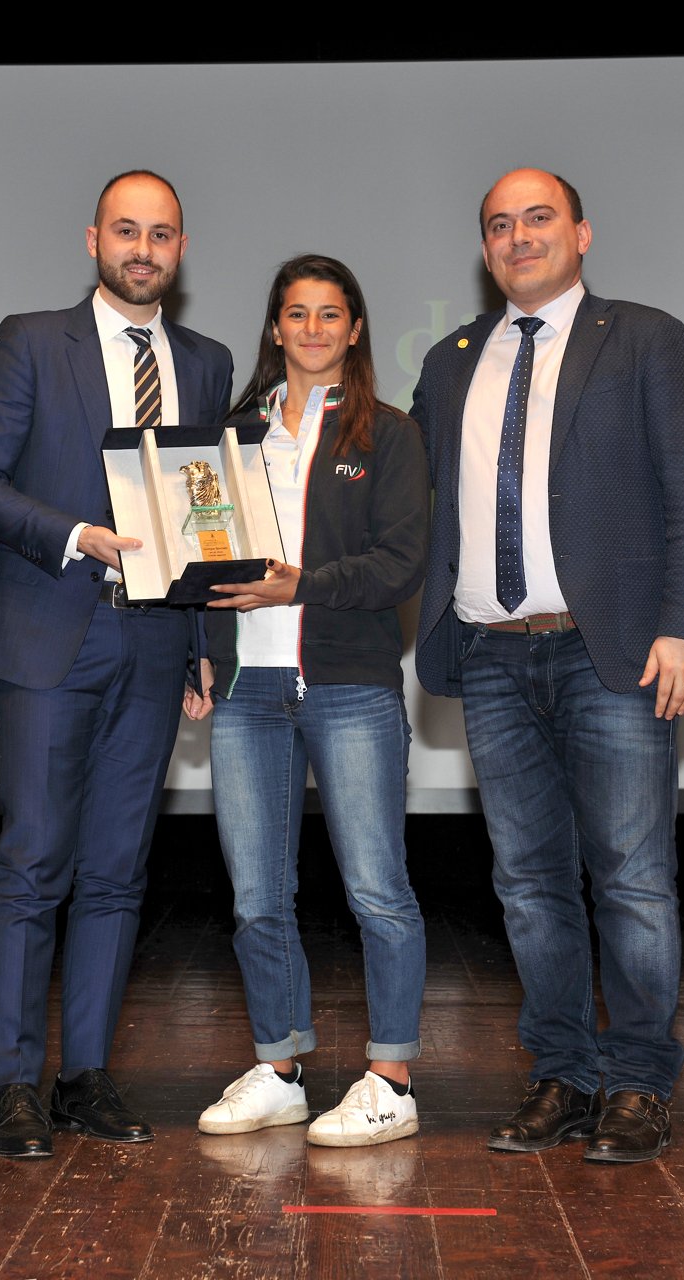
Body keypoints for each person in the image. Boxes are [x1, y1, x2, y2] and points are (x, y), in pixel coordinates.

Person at [412, 169, 684, 1164]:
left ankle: (638, 1081)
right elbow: (413, 500)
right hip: (492, 654)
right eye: (499, 225)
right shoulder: (449, 360)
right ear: (484, 248)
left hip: (613, 655)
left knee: (632, 880)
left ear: (581, 233)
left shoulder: (645, 339)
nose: (518, 236)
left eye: (538, 218)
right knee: (527, 883)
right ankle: (564, 1074)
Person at [0, 171, 234, 1159]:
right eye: (126, 231)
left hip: (154, 642)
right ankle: (15, 1085)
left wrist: (202, 645)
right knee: (33, 863)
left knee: (117, 869)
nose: (142, 248)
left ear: (181, 248)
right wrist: (74, 534)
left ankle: (86, 1077)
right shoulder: (33, 340)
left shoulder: (206, 361)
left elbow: (205, 512)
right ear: (93, 239)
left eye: (161, 233)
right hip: (50, 631)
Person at [186, 255, 430, 1148]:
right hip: (246, 691)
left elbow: (401, 564)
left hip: (350, 686)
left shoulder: (389, 435)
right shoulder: (231, 435)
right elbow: (199, 554)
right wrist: (199, 651)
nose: (314, 329)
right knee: (258, 897)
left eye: (331, 314)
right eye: (298, 313)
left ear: (355, 329)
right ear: (275, 327)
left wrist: (305, 586)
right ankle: (280, 1069)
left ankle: (392, 1080)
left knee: (377, 891)